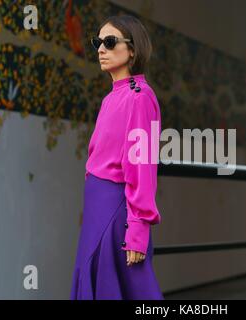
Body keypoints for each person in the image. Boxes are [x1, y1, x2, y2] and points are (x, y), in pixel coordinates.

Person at [70, 14, 164, 300]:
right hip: (98, 210)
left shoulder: (140, 97)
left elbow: (142, 166)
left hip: (115, 212)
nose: (100, 49)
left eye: (110, 42)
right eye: (98, 42)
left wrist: (137, 228)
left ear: (133, 49)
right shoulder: (113, 97)